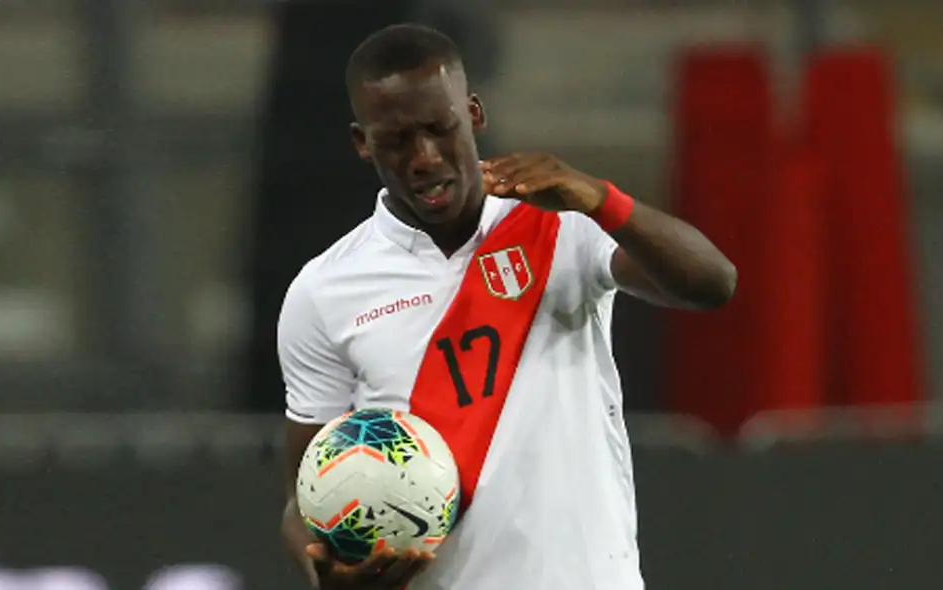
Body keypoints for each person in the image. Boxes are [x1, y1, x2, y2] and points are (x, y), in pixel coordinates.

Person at [278, 23, 736, 590]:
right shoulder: (324, 290)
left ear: (473, 114)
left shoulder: (559, 224)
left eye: (439, 129)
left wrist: (602, 199)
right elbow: (305, 499)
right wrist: (326, 573)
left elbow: (713, 283)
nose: (423, 158)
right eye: (396, 140)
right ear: (361, 142)